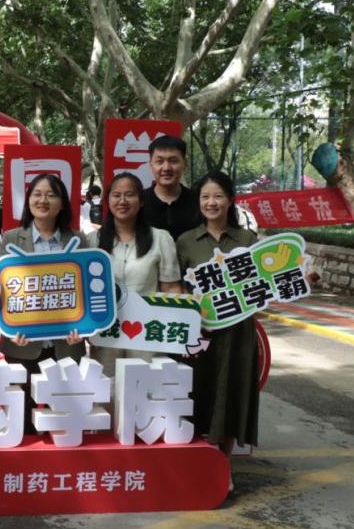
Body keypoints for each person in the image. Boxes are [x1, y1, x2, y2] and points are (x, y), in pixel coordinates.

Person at [177, 171, 260, 473]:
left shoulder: (247, 240)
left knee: (232, 392)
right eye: (205, 197)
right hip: (199, 332)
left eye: (218, 196)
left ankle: (223, 465)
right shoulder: (186, 241)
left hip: (238, 333)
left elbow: (263, 283)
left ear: (230, 200)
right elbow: (177, 288)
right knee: (198, 390)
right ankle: (198, 464)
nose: (211, 202)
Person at [0, 173, 85, 433]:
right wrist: (10, 329)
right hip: (22, 344)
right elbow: (2, 289)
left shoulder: (78, 240)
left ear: (62, 203)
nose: (43, 200)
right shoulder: (11, 238)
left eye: (51, 194)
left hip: (66, 343)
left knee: (62, 417)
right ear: (28, 201)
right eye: (37, 194)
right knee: (22, 414)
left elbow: (85, 292)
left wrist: (84, 328)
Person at [87, 172, 182, 375]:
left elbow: (171, 288)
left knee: (146, 388)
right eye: (116, 195)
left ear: (141, 201)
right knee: (107, 388)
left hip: (148, 336)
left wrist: (182, 323)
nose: (122, 201)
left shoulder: (161, 239)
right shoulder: (93, 241)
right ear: (108, 201)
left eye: (129, 195)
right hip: (105, 337)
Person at [142, 135, 200, 241]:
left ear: (185, 163)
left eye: (173, 161)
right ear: (151, 165)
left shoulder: (198, 202)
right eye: (160, 161)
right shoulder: (139, 202)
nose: (166, 168)